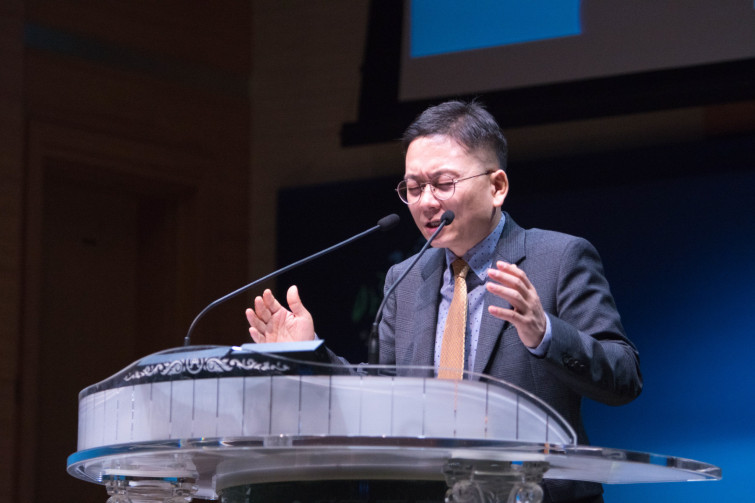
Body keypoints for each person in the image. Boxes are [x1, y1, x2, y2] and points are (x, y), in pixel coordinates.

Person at [246, 100, 642, 503]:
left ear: (497, 187)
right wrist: (308, 355)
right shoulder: (404, 278)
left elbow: (624, 375)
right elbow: (382, 392)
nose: (426, 202)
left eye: (443, 183)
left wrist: (546, 334)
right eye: (414, 188)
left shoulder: (558, 259)